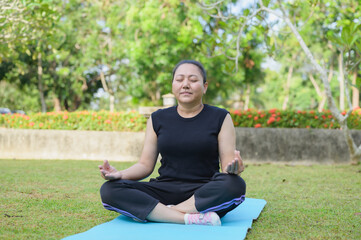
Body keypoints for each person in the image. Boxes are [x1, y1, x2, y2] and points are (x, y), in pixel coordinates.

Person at [99, 60, 246, 226]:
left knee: (234, 185)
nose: (185, 85)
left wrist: (235, 169)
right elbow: (145, 165)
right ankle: (187, 217)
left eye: (193, 80)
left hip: (203, 191)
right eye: (180, 79)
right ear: (172, 85)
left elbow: (228, 166)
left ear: (204, 87)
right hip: (163, 189)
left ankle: (162, 213)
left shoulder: (220, 117)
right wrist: (120, 175)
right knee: (109, 189)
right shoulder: (157, 118)